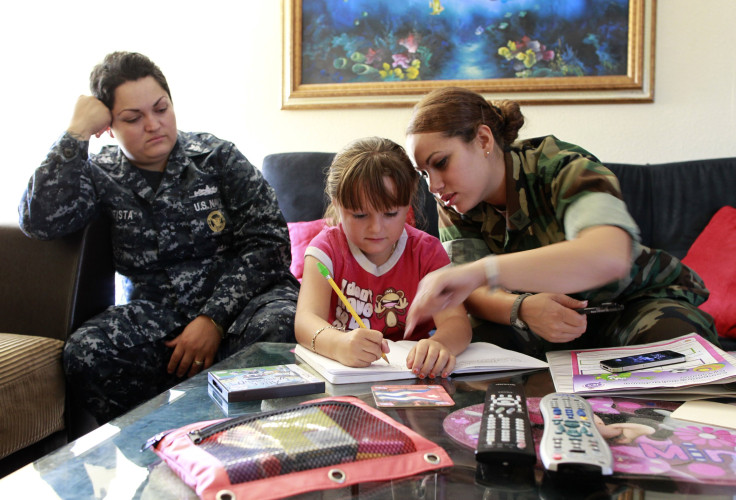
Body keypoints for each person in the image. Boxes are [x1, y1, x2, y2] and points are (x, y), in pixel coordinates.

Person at [19, 51, 299, 423]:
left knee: (280, 324)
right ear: (108, 125)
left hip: (243, 309)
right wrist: (76, 134)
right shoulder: (100, 173)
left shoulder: (217, 157)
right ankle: (157, 445)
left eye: (161, 108)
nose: (153, 124)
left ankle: (252, 437)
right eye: (133, 118)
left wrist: (212, 318)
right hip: (159, 318)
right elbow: (38, 221)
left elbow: (271, 245)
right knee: (87, 351)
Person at [404, 86, 719, 358]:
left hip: (629, 304)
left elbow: (608, 256)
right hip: (541, 316)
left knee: (676, 348)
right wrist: (522, 309)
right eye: (424, 173)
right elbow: (471, 293)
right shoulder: (455, 200)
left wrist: (480, 272)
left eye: (441, 163)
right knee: (476, 352)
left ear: (484, 140)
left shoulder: (561, 165)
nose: (433, 185)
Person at [294, 137, 471, 379]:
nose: (376, 228)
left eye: (390, 213)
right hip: (345, 375)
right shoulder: (326, 250)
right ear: (337, 204)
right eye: (359, 215)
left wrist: (439, 344)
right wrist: (338, 344)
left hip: (411, 376)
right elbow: (305, 320)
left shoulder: (426, 252)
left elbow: (457, 323)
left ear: (407, 203)